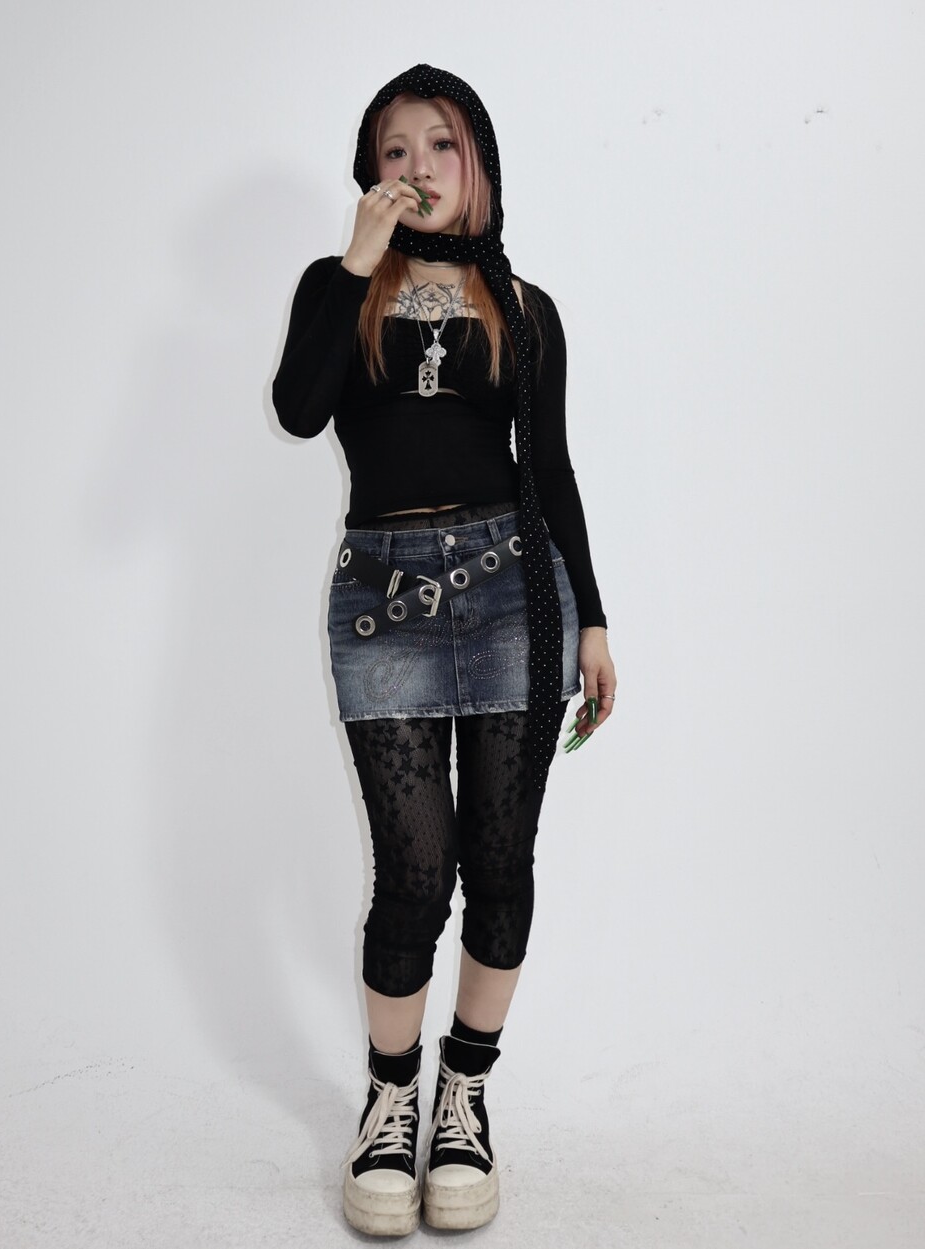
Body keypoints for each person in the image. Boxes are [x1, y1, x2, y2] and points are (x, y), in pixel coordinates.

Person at [272, 64, 616, 1237]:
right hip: (382, 600)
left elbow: (551, 469)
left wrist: (595, 616)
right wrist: (357, 262)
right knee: (414, 876)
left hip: (517, 592)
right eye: (394, 148)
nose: (416, 166)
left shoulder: (523, 307)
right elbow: (298, 409)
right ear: (369, 171)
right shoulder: (337, 286)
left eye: (441, 144)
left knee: (500, 863)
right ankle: (389, 1099)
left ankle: (463, 1095)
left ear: (479, 167)